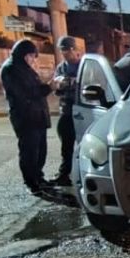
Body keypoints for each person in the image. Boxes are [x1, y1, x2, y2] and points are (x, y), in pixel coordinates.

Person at [0, 38, 53, 195]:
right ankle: (31, 182)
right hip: (26, 118)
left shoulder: (26, 69)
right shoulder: (10, 70)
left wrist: (49, 85)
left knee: (40, 150)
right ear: (23, 55)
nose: (32, 60)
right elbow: (25, 94)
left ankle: (39, 177)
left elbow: (35, 88)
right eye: (30, 56)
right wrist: (49, 87)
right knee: (29, 151)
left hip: (38, 116)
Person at [52, 35, 83, 187]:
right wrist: (60, 84)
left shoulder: (84, 65)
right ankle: (64, 174)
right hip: (66, 109)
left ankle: (84, 174)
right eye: (63, 50)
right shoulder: (61, 67)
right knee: (66, 144)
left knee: (85, 145)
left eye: (67, 50)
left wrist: (72, 82)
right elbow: (56, 87)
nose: (65, 53)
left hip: (83, 109)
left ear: (75, 50)